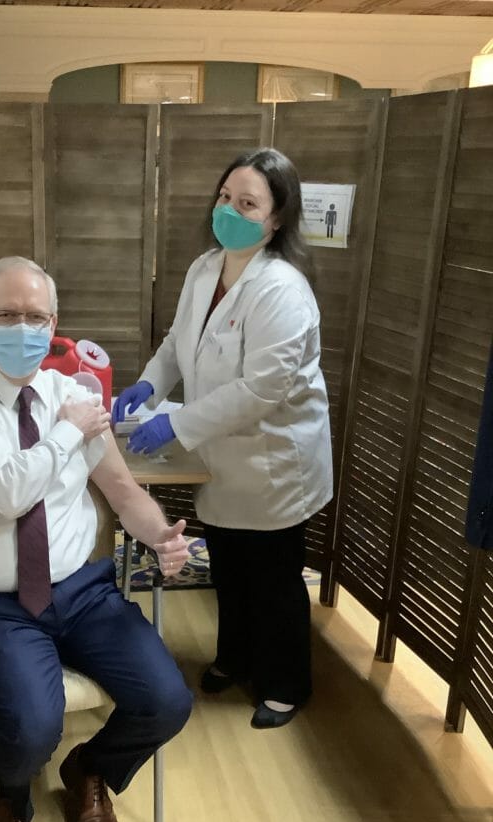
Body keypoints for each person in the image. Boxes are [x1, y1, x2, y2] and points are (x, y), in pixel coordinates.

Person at [0, 256, 193, 822]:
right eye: (8, 316)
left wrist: (160, 537)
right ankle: (13, 801)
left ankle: (88, 773)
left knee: (167, 700)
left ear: (54, 324)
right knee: (34, 723)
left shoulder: (74, 396)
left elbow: (122, 491)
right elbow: (3, 495)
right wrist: (66, 434)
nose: (23, 328)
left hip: (81, 589)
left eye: (36, 317)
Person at [113, 148, 333, 730]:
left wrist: (176, 424)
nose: (230, 210)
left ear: (277, 218)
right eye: (225, 197)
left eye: (248, 203)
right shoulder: (205, 267)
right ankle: (234, 658)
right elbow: (176, 342)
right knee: (229, 566)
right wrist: (148, 385)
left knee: (274, 579)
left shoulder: (282, 290)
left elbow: (261, 391)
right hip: (222, 455)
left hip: (272, 461)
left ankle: (286, 683)